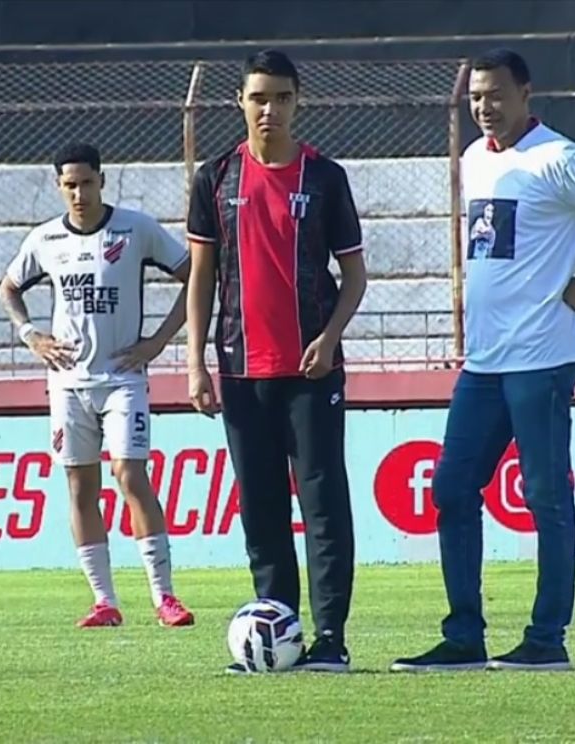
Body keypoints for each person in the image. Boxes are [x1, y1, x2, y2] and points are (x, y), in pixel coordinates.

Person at [389, 48, 575, 674]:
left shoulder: (557, 157)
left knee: (544, 495)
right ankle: (464, 637)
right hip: (485, 362)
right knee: (452, 488)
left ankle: (547, 638)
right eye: (476, 97)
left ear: (525, 93)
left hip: (541, 355)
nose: (485, 107)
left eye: (496, 94)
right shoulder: (474, 159)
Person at [184, 49, 368, 673]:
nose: (270, 110)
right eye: (259, 97)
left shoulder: (325, 177)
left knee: (323, 505)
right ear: (240, 102)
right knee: (261, 509)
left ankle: (331, 638)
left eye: (282, 98)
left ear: (297, 102)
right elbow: (202, 277)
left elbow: (354, 275)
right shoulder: (215, 178)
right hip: (241, 372)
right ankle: (275, 629)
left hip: (312, 372)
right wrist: (194, 363)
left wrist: (330, 337)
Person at [0, 142, 196, 629]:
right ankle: (104, 601)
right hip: (67, 382)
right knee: (80, 485)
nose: (79, 194)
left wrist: (158, 342)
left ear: (102, 180)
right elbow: (8, 289)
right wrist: (31, 335)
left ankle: (164, 597)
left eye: (87, 183)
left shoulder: (136, 229)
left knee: (130, 475)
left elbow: (194, 275)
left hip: (124, 376)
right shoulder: (46, 239)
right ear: (58, 187)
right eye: (70, 185)